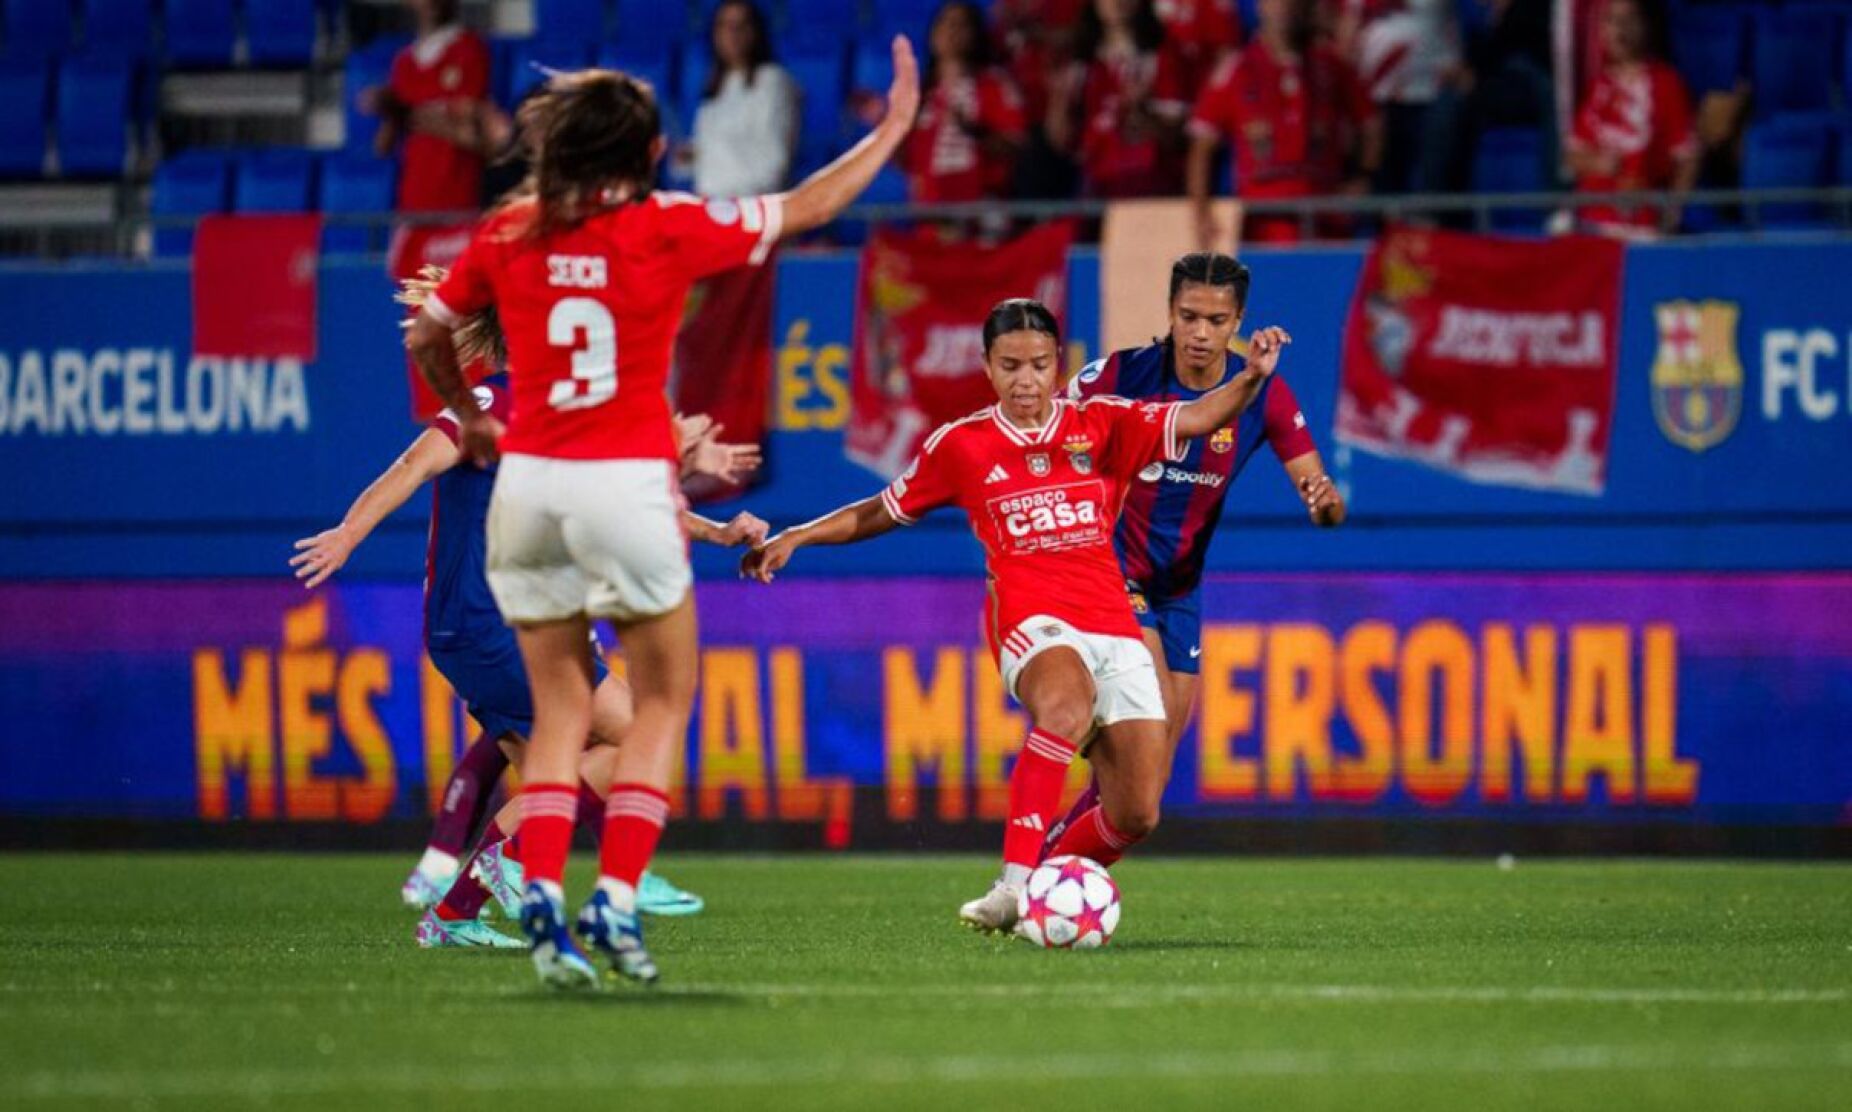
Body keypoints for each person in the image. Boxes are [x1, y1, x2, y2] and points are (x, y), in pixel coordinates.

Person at [405, 39, 921, 988]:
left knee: (559, 717)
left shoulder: (508, 235)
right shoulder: (666, 224)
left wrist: (475, 419)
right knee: (661, 706)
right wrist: (891, 126)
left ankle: (545, 917)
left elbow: (432, 331)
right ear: (648, 157)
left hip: (528, 494)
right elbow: (810, 205)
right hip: (623, 488)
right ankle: (618, 900)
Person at [741, 299, 1290, 933]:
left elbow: (1197, 416)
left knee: (1137, 811)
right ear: (987, 367)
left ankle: (1045, 887)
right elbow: (881, 511)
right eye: (1009, 366)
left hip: (1112, 618)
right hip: (1032, 616)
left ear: (1059, 364)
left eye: (1037, 365)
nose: (1025, 380)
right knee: (1063, 708)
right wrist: (799, 536)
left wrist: (1250, 378)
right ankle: (1015, 885)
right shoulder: (963, 445)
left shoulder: (1103, 422)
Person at [291, 269, 769, 945]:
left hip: (504, 626)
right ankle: (522, 869)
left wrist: (721, 533)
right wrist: (348, 533)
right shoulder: (488, 403)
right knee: (633, 734)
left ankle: (456, 911)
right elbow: (411, 468)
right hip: (488, 625)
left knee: (556, 773)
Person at [1043, 253, 1344, 855]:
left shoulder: (1262, 392)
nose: (1201, 333)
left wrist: (1323, 501)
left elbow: (1321, 497)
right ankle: (1048, 868)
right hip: (1111, 571)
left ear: (1238, 321)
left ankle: (1055, 864)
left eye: (1216, 320)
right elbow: (1045, 439)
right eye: (1189, 317)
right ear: (1170, 313)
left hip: (1179, 589)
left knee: (1147, 780)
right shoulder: (1121, 376)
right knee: (1142, 728)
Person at [1186, 0, 1381, 244]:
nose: (1284, 7)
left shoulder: (1331, 66)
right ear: (1259, 7)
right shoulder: (1236, 69)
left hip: (1325, 215)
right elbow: (1202, 146)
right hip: (1262, 221)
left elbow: (1370, 123)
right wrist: (1201, 212)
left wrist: (1362, 176)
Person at [1562, 0, 1694, 235]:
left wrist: (1673, 212)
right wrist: (1599, 163)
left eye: (1628, 19)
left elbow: (1688, 158)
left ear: (1645, 25)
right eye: (1611, 21)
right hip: (1590, 221)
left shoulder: (1666, 84)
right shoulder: (1597, 87)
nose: (1620, 29)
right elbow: (1571, 156)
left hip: (1640, 222)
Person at [1047, 0, 1190, 198]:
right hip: (1097, 186)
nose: (1116, 2)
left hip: (1149, 185)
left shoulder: (1161, 57)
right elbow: (1061, 141)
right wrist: (1058, 102)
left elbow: (1178, 137)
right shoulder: (1082, 65)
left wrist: (1141, 113)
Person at [367, 0, 495, 213]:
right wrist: (388, 111)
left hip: (458, 200)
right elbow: (382, 148)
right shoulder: (404, 62)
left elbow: (473, 128)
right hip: (413, 201)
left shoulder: (470, 49)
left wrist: (409, 114)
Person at [899, 1, 1027, 204]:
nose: (952, 31)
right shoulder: (919, 95)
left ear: (976, 34)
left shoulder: (996, 85)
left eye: (961, 24)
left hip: (984, 216)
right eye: (946, 23)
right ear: (933, 35)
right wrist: (883, 124)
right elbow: (908, 161)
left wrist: (975, 132)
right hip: (929, 220)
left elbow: (1016, 148)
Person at [1333, 0, 1465, 194]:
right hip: (1376, 96)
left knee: (1428, 177)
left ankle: (1424, 216)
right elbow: (1345, 39)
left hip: (1432, 92)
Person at [687, 1, 800, 198]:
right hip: (711, 206)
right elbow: (707, 159)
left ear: (755, 32)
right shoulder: (715, 86)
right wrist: (693, 156)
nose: (732, 34)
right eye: (724, 26)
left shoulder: (774, 82)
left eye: (740, 26)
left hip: (751, 209)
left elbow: (775, 162)